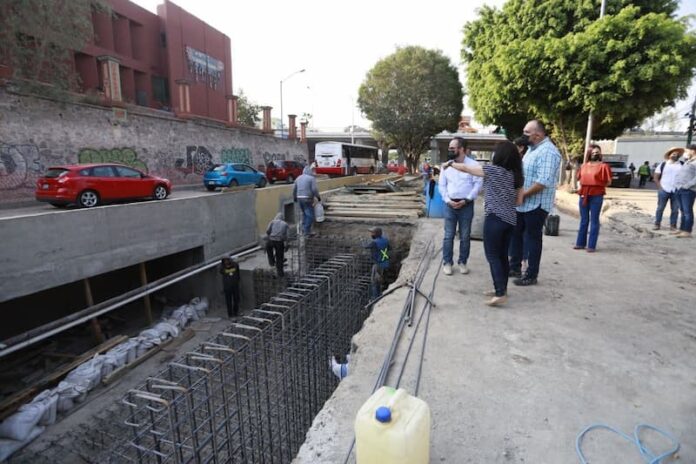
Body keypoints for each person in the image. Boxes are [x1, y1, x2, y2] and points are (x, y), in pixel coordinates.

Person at [448, 141, 524, 306]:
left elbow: (467, 169)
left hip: (495, 218)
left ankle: (499, 293)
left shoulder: (493, 170)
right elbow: (519, 201)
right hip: (510, 219)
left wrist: (450, 164)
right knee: (503, 255)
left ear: (500, 155)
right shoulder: (516, 174)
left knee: (493, 256)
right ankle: (502, 288)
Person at [508, 119, 561, 286]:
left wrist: (523, 194)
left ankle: (531, 274)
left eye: (526, 133)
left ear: (537, 135)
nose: (523, 136)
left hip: (536, 205)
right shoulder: (532, 149)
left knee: (532, 239)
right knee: (516, 235)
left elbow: (542, 181)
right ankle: (515, 267)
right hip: (523, 203)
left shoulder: (548, 152)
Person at [438, 137, 483, 275]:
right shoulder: (445, 166)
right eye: (450, 148)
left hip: (466, 205)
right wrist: (447, 200)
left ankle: (463, 262)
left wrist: (467, 200)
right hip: (450, 205)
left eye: (453, 148)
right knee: (448, 235)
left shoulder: (473, 165)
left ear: (462, 149)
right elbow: (442, 185)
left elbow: (478, 184)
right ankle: (447, 262)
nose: (450, 150)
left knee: (465, 236)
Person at [574, 145, 612, 252]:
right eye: (593, 152)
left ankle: (591, 245)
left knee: (594, 220)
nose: (595, 154)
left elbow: (609, 181)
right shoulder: (584, 166)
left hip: (597, 195)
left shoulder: (604, 166)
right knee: (584, 220)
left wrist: (598, 186)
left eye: (597, 152)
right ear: (589, 153)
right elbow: (579, 178)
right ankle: (580, 243)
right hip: (584, 194)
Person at [653, 147, 683, 231]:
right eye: (673, 153)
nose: (675, 155)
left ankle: (673, 225)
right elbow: (656, 177)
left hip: (676, 191)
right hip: (664, 190)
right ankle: (657, 224)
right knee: (660, 208)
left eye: (677, 154)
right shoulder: (663, 165)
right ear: (669, 155)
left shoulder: (682, 165)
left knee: (675, 210)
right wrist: (660, 187)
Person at [673, 145, 696, 238]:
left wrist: (687, 186)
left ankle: (687, 231)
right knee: (682, 210)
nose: (685, 153)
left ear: (693, 151)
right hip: (679, 188)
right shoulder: (688, 161)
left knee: (687, 211)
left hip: (688, 190)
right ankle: (682, 229)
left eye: (687, 151)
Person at [293, 166, 321, 236]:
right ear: (310, 172)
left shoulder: (298, 178)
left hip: (299, 198)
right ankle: (306, 231)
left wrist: (294, 198)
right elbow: (314, 189)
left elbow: (294, 189)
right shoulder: (311, 178)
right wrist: (318, 197)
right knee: (310, 215)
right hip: (307, 198)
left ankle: (303, 229)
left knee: (305, 214)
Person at [363, 226, 390, 298]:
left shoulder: (374, 242)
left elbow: (365, 246)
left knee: (375, 282)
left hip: (378, 265)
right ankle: (381, 296)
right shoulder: (386, 240)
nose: (371, 234)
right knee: (381, 281)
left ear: (376, 234)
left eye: (372, 233)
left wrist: (362, 241)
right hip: (385, 263)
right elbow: (389, 248)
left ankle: (375, 299)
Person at [265, 213, 289, 277]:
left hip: (271, 240)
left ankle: (272, 263)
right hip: (279, 241)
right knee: (279, 257)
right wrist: (286, 245)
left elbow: (267, 231)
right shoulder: (285, 224)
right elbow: (286, 236)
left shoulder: (272, 222)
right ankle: (280, 273)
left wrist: (270, 236)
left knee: (269, 251)